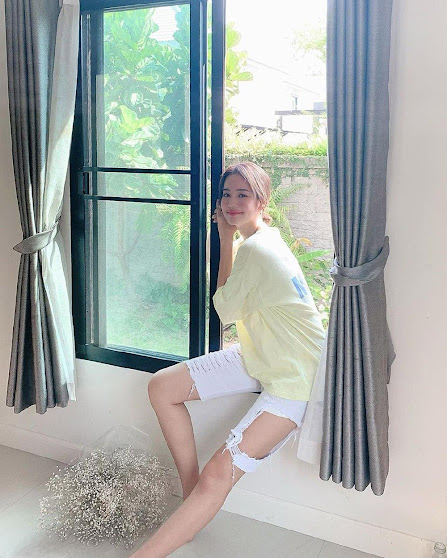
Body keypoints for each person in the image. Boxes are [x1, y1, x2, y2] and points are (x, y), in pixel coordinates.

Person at [130, 161, 325, 558]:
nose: (231, 203)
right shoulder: (265, 238)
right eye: (226, 194)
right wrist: (229, 234)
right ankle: (191, 502)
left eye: (243, 195)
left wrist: (223, 237)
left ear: (262, 201)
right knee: (162, 386)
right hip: (263, 355)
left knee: (218, 474)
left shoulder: (256, 248)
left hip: (296, 377)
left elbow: (224, 309)